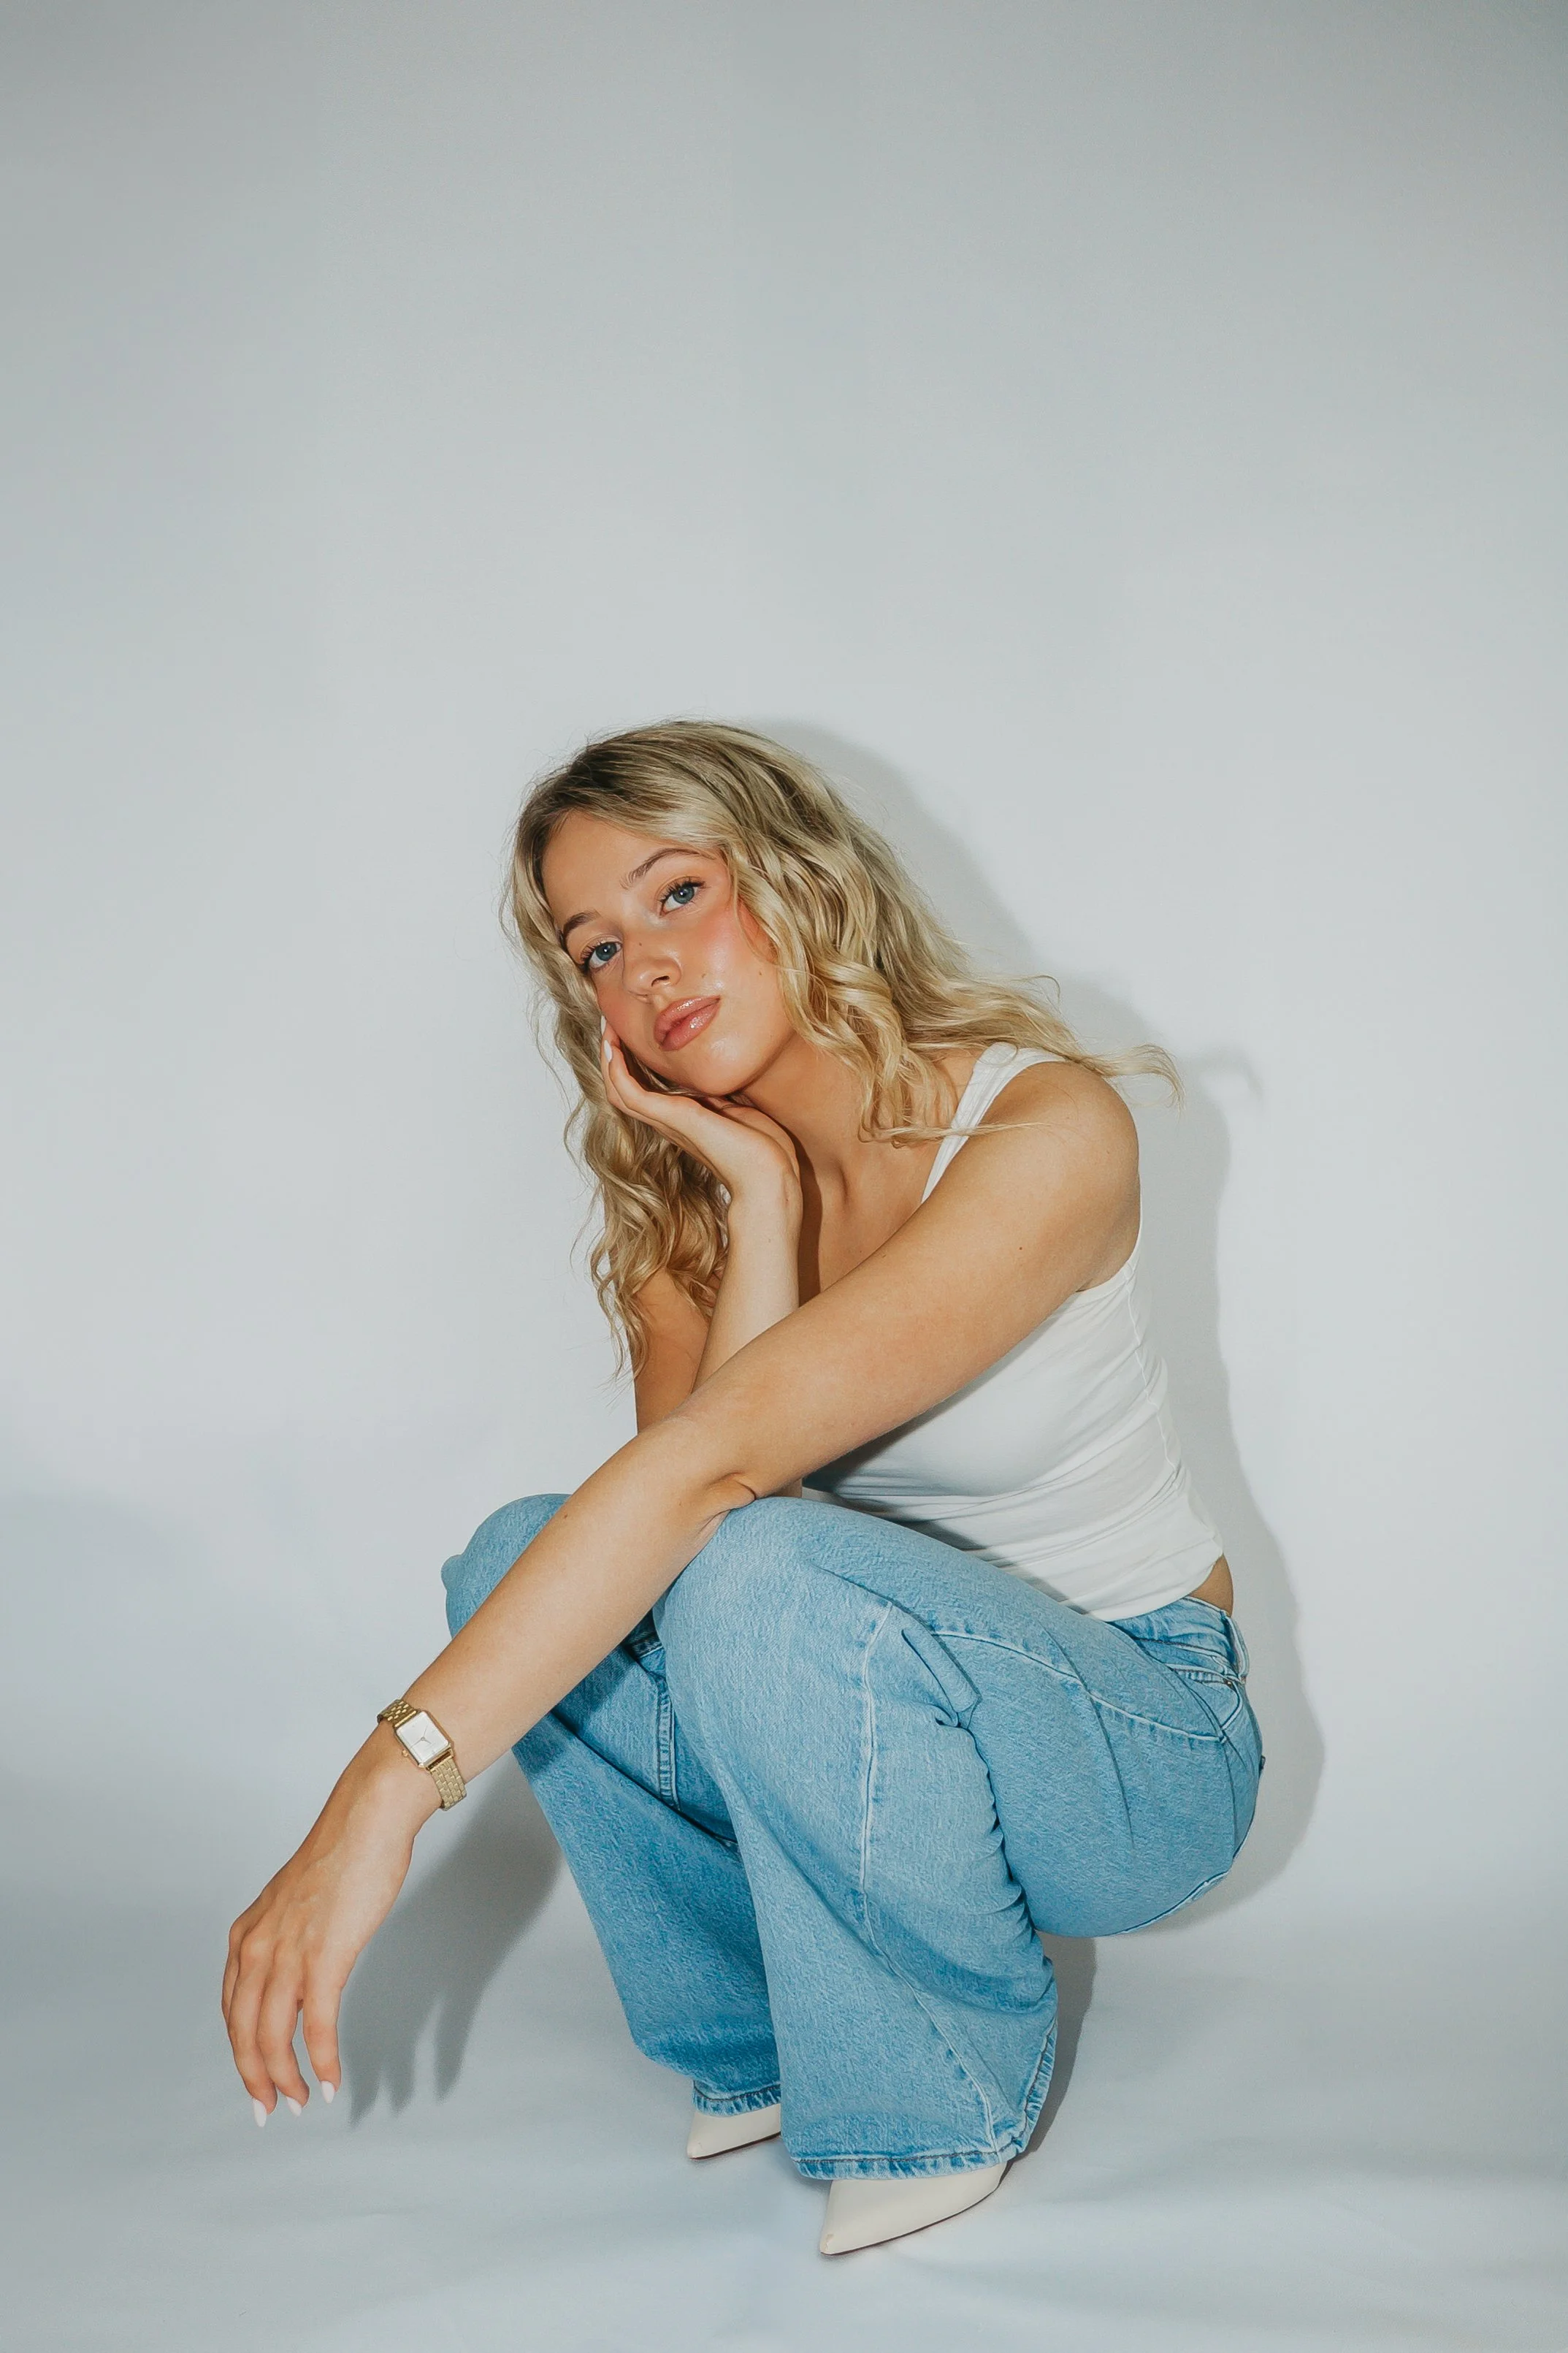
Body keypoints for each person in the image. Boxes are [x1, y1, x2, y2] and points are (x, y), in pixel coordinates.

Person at [222, 722, 1263, 2256]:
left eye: (676, 893)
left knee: (747, 1549)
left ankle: (929, 2094)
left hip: (1133, 1750)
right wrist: (760, 1199)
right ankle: (764, 2030)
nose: (640, 967)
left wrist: (381, 1794)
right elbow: (682, 1552)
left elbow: (720, 1477)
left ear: (796, 873)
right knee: (527, 1554)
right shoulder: (686, 1224)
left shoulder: (1039, 1132)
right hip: (878, 1739)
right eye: (591, 947)